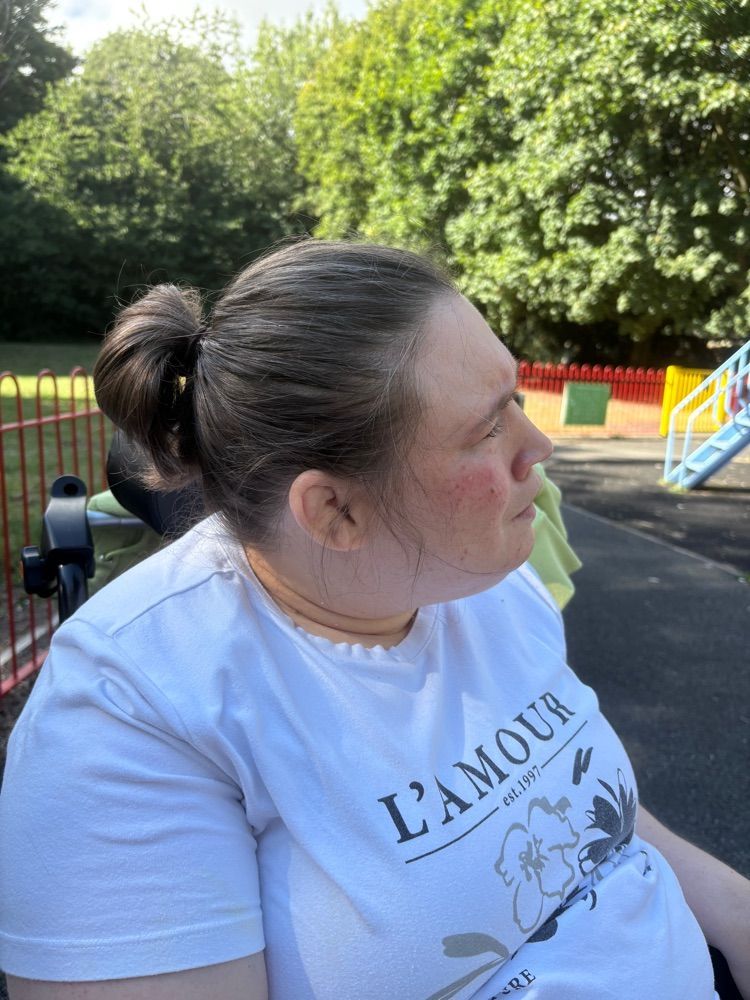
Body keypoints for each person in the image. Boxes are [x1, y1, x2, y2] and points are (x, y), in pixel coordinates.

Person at [0, 240, 747, 1000]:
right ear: (335, 510)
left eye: (516, 400)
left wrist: (735, 907)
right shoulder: (132, 709)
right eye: (487, 429)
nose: (539, 446)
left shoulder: (483, 581)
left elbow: (574, 808)